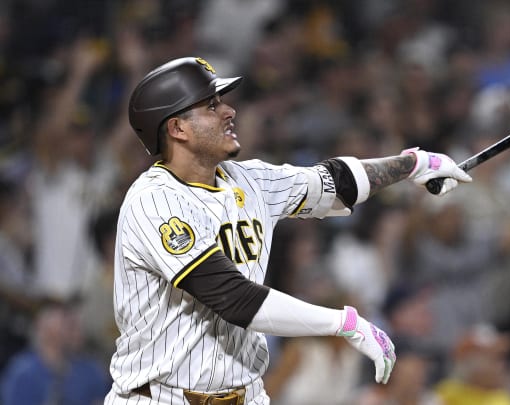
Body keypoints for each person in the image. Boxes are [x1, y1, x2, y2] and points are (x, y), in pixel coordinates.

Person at [104, 56, 472, 405]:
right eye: (211, 106)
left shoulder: (250, 180)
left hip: (246, 394)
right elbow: (233, 298)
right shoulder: (153, 201)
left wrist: (414, 164)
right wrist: (341, 322)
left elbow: (336, 181)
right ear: (176, 127)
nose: (229, 111)